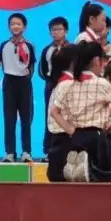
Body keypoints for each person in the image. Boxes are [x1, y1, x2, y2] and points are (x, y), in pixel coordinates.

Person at [45, 41, 111, 183]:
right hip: (96, 137)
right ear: (96, 61)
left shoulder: (67, 85)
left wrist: (71, 130)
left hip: (75, 137)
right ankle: (87, 169)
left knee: (96, 175)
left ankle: (83, 168)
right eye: (103, 60)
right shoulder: (100, 83)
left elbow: (54, 112)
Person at [0, 12, 35, 162]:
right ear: (9, 26)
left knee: (26, 119)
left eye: (18, 24)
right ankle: (10, 152)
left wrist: (25, 78)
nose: (15, 26)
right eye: (12, 24)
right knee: (9, 118)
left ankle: (26, 151)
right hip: (9, 82)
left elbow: (31, 66)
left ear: (24, 27)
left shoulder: (29, 46)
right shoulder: (4, 45)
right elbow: (2, 64)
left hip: (24, 82)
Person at [39, 16, 69, 157]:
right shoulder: (47, 50)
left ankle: (67, 149)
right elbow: (42, 71)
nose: (56, 32)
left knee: (68, 117)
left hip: (68, 87)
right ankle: (49, 150)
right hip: (51, 87)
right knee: (50, 117)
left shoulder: (72, 49)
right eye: (53, 30)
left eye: (59, 29)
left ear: (66, 31)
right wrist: (51, 82)